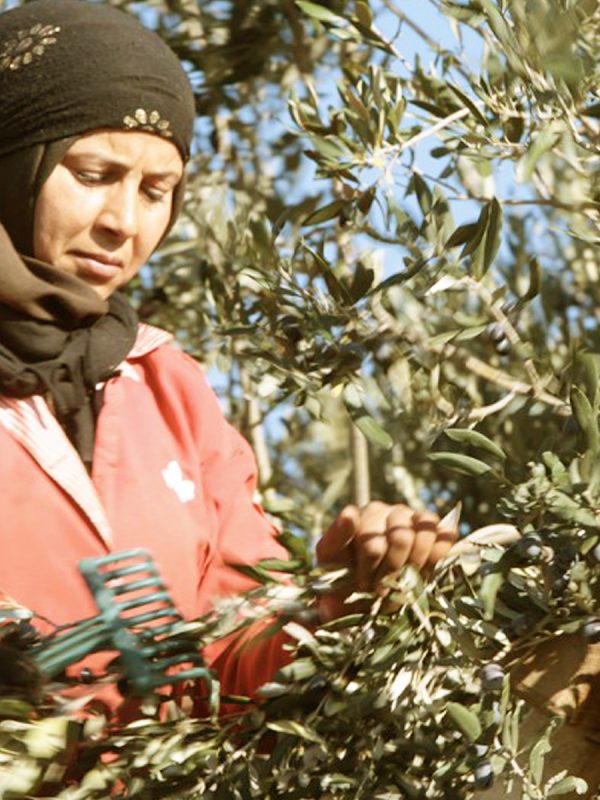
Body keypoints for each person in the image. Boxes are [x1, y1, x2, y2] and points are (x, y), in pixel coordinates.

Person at [0, 0, 457, 710]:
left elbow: (234, 660)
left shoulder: (166, 390)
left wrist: (341, 598)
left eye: (157, 191)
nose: (123, 223)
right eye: (93, 174)